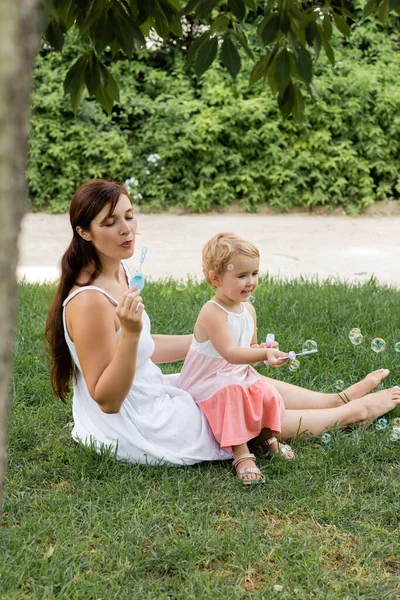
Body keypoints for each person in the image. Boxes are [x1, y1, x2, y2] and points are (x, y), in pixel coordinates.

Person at [45, 179, 400, 470]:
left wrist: (208, 344)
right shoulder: (89, 300)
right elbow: (107, 398)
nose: (127, 230)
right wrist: (133, 334)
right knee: (232, 407)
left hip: (147, 391)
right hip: (133, 423)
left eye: (130, 216)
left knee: (231, 376)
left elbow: (143, 349)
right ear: (85, 233)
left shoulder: (118, 271)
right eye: (110, 223)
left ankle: (334, 399)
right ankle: (352, 412)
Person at [177, 233, 296, 484]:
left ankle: (267, 437)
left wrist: (264, 350)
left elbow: (249, 346)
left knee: (265, 391)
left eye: (255, 273)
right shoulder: (212, 311)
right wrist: (263, 353)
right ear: (215, 279)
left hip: (235, 373)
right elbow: (230, 353)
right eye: (241, 276)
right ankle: (241, 453)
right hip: (207, 379)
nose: (250, 281)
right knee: (231, 394)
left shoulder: (248, 309)